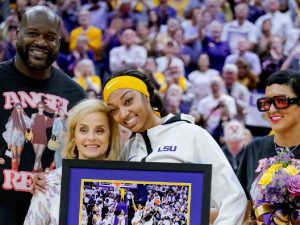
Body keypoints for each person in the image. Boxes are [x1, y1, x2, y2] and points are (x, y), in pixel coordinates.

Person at [102, 70, 247, 224]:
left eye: (128, 101)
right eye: (113, 110)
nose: (123, 114)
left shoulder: (191, 134)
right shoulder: (129, 149)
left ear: (147, 96)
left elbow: (233, 199)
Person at [0, 6, 87, 225]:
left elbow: (83, 157)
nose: (41, 42)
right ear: (18, 34)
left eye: (50, 37)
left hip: (48, 212)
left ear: (59, 42)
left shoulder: (75, 94)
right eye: (32, 33)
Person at [23, 99, 121, 225]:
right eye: (83, 130)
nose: (91, 137)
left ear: (110, 135)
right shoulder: (49, 183)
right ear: (74, 136)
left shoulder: (123, 182)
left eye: (99, 131)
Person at [237, 70, 300, 221]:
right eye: (266, 103)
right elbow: (241, 212)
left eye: (281, 101)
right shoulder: (254, 149)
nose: (271, 110)